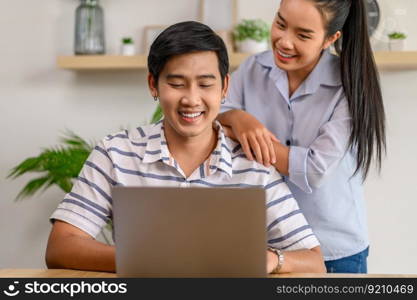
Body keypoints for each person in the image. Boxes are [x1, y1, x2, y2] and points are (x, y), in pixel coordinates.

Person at [45, 21, 325, 274]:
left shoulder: (253, 164)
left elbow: (314, 261)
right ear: (153, 85)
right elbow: (61, 248)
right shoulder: (115, 154)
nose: (192, 99)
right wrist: (149, 261)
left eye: (205, 84)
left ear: (225, 87)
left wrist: (272, 259)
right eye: (177, 84)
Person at [218, 0, 386, 273]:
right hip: (267, 247)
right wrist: (239, 119)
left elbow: (313, 169)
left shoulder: (349, 86)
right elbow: (213, 115)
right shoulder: (252, 69)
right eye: (280, 24)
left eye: (303, 35)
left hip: (334, 249)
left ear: (330, 38)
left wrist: (251, 140)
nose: (284, 42)